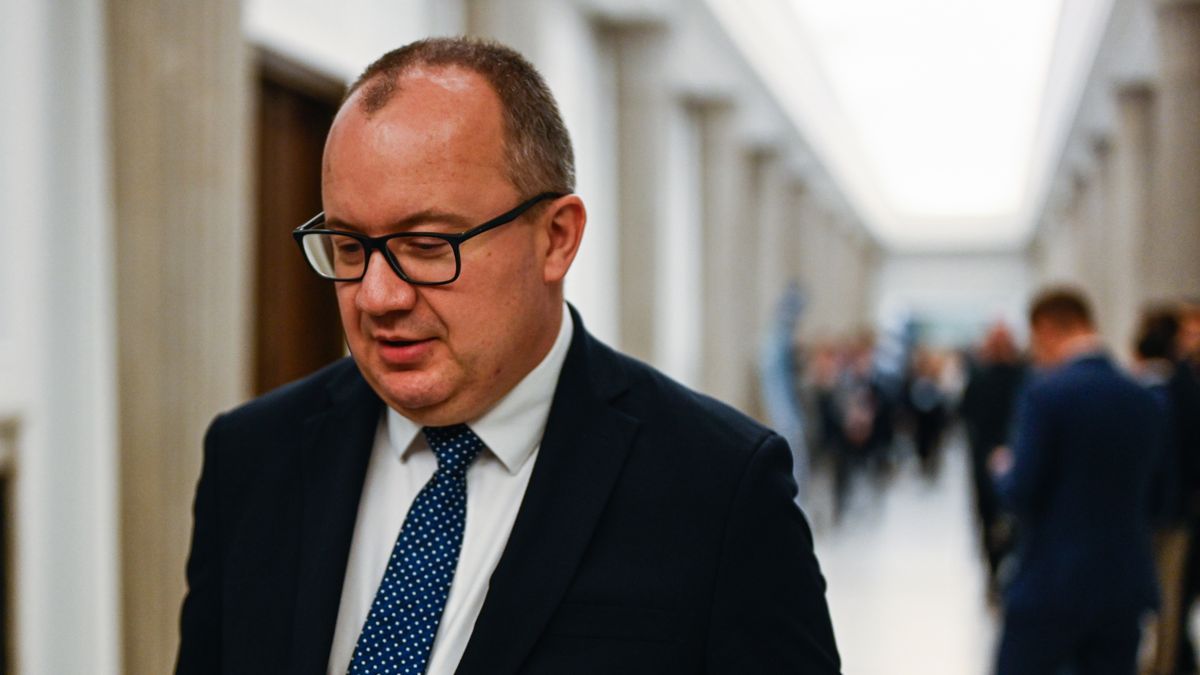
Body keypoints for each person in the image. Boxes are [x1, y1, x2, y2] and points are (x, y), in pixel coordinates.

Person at [175, 37, 840, 675]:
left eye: (428, 244)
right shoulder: (252, 458)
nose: (377, 295)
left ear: (556, 238)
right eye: (350, 247)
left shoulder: (718, 490)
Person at [992, 287, 1164, 675]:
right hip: (1124, 580)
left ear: (1048, 329)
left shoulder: (1047, 394)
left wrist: (1002, 469)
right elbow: (1155, 489)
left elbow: (1022, 491)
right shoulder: (1143, 397)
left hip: (1052, 580)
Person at [959, 323, 1026, 591]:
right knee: (987, 513)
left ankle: (1005, 565)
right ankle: (993, 567)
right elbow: (966, 413)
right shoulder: (981, 375)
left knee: (1012, 514)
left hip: (1010, 452)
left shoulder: (1023, 375)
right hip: (985, 454)